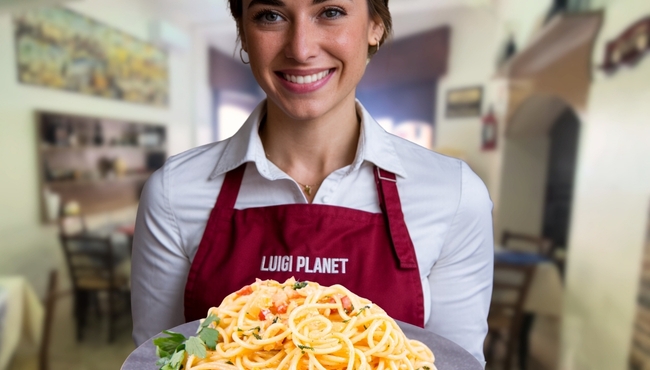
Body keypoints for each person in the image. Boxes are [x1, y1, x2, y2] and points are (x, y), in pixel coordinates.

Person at [131, 0, 494, 365]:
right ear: (242, 30)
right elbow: (157, 359)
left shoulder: (454, 194)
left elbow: (454, 362)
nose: (301, 49)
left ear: (375, 25)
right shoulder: (173, 192)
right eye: (270, 16)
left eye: (331, 11)